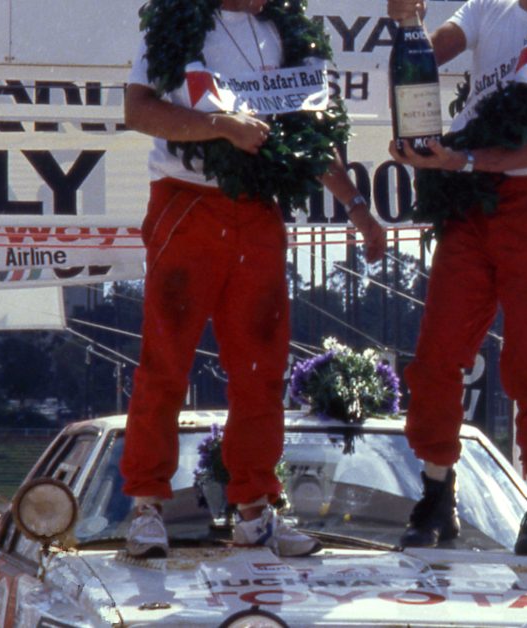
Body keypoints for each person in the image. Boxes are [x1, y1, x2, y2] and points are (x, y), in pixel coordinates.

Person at [119, 0, 386, 559]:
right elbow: (139, 110)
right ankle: (146, 507)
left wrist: (357, 207)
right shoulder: (177, 22)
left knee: (262, 369)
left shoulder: (284, 28)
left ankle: (256, 510)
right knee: (166, 360)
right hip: (186, 202)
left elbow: (310, 135)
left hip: (258, 209)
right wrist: (219, 127)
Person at [385, 0, 527, 555]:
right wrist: (408, 25)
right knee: (438, 353)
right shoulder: (489, 6)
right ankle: (437, 492)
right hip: (470, 200)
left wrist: (457, 160)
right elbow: (428, 55)